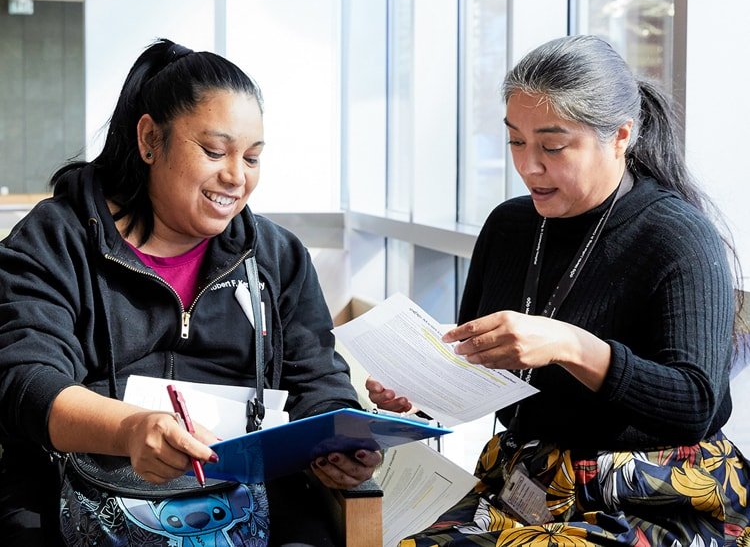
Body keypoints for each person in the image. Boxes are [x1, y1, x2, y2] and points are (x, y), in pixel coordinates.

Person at [368, 34, 750, 546]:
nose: (528, 166)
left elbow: (696, 403)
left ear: (619, 136)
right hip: (532, 479)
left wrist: (571, 346)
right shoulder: (509, 226)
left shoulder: (675, 235)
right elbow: (477, 363)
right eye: (515, 142)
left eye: (552, 146)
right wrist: (420, 391)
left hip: (653, 493)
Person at [0, 38, 381, 547]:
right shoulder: (57, 238)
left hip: (246, 495)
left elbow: (318, 382)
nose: (236, 177)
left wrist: (338, 445)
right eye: (214, 151)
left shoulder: (276, 256)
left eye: (252, 158)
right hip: (76, 486)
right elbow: (26, 382)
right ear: (149, 139)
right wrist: (132, 430)